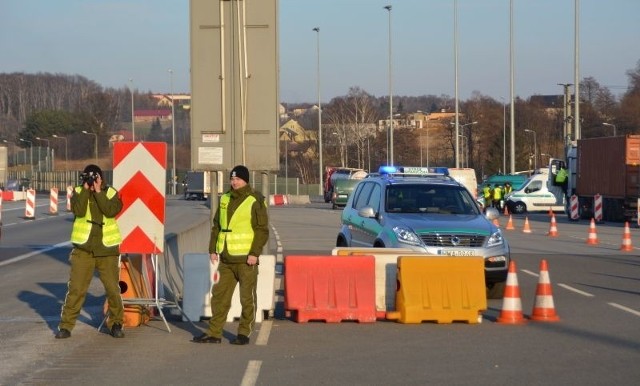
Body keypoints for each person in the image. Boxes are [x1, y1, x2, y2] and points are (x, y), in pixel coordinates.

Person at [193, 165, 269, 345]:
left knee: (246, 298)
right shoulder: (225, 198)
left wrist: (254, 253)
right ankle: (214, 333)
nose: (234, 182)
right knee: (219, 296)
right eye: (232, 179)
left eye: (238, 179)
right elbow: (217, 226)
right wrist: (213, 249)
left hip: (246, 259)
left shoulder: (254, 200)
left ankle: (244, 333)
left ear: (246, 180)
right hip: (226, 259)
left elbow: (262, 230)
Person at [56, 164, 125, 339]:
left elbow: (111, 210)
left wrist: (99, 191)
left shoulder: (110, 193)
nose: (91, 181)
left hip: (106, 249)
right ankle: (66, 326)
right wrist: (87, 190)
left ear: (101, 178)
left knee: (112, 289)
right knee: (76, 289)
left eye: (94, 178)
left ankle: (116, 323)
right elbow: (78, 211)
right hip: (83, 250)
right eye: (88, 178)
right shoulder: (79, 192)